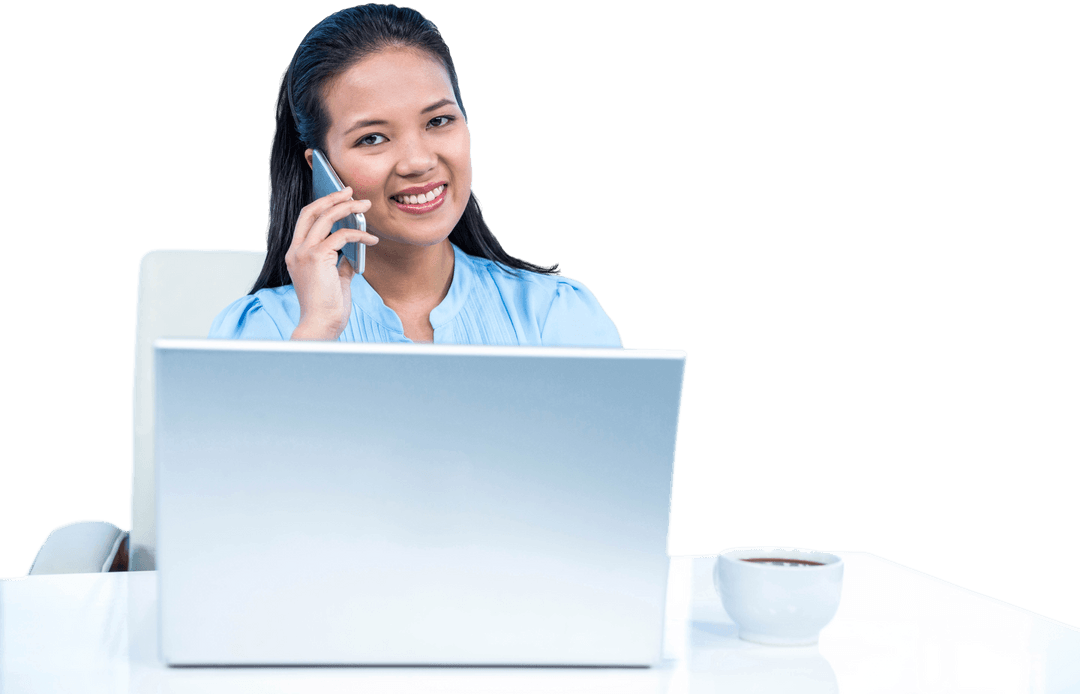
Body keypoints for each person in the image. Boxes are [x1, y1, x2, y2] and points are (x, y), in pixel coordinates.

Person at [210, 4, 622, 347]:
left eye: (439, 120)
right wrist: (318, 331)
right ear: (321, 168)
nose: (418, 162)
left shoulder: (554, 314)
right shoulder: (265, 330)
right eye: (372, 138)